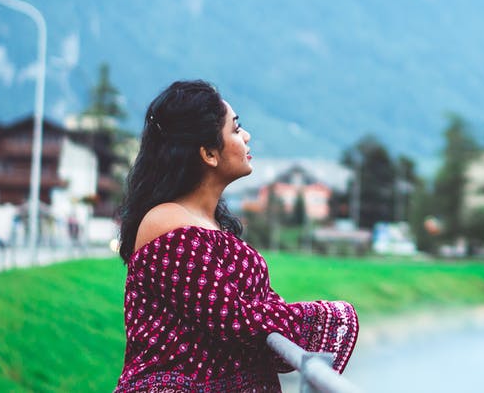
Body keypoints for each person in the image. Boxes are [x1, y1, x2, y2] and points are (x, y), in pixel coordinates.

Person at [115, 80, 358, 392]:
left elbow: (255, 310)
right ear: (208, 153)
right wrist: (325, 316)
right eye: (235, 129)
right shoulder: (167, 220)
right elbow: (232, 317)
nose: (246, 136)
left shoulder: (214, 226)